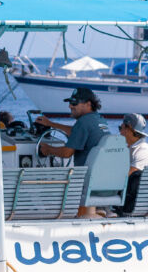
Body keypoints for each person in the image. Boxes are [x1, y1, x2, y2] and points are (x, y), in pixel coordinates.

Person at [35, 87, 110, 218]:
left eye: (74, 103)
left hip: (87, 181)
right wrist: (52, 124)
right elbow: (76, 132)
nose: (70, 106)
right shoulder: (99, 120)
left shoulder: (83, 122)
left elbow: (66, 153)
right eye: (70, 102)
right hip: (104, 180)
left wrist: (47, 150)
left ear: (88, 104)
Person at [114, 113, 148, 217]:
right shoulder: (131, 149)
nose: (119, 132)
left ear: (129, 129)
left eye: (121, 128)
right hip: (133, 197)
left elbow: (129, 175)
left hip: (137, 202)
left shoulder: (143, 150)